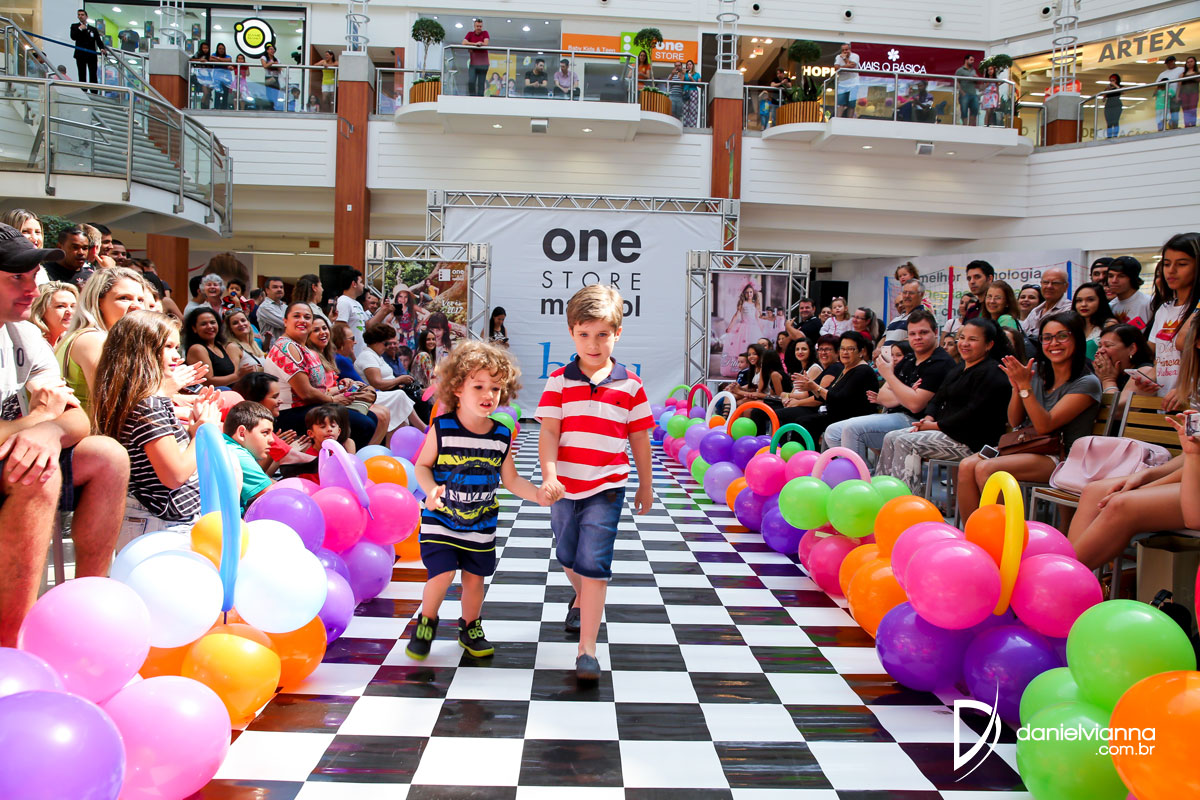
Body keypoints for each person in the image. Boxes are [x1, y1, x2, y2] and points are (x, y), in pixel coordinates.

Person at [0, 225, 130, 646]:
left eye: (32, 276)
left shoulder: (23, 332)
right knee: (37, 472)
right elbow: (43, 414)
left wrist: (51, 431)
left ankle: (84, 616)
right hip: (15, 459)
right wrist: (37, 421)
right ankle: (12, 641)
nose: (31, 289)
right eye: (16, 278)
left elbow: (77, 421)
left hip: (12, 450)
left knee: (108, 455)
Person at [537, 285, 653, 682]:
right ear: (571, 332)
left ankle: (587, 650)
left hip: (607, 486)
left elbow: (639, 438)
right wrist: (550, 474)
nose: (593, 343)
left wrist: (645, 485)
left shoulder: (631, 385)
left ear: (617, 333)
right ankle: (580, 596)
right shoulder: (558, 382)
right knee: (568, 555)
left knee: (595, 563)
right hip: (564, 487)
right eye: (584, 334)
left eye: (602, 334)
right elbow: (549, 432)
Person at [406, 341, 548, 661]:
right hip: (441, 520)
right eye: (479, 386)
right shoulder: (443, 428)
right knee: (442, 573)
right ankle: (426, 623)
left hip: (480, 526)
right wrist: (431, 489)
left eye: (495, 388)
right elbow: (422, 466)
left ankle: (470, 627)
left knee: (474, 580)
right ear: (458, 388)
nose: (488, 394)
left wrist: (537, 494)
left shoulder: (500, 435)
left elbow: (511, 480)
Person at [957, 312, 1102, 519]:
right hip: (1026, 445)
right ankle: (973, 533)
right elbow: (1015, 420)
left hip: (1062, 456)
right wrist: (1017, 388)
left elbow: (1045, 426)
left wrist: (1025, 387)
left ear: (1077, 339)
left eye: (1062, 336)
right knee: (966, 466)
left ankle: (1006, 534)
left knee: (986, 469)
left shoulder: (1087, 383)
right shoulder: (1036, 371)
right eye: (1047, 338)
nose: (1054, 343)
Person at [94, 312, 222, 533]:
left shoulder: (135, 400)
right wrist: (203, 430)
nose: (177, 356)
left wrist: (192, 430)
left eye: (177, 347)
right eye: (168, 347)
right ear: (141, 350)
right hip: (159, 523)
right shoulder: (149, 405)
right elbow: (174, 475)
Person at [877, 318, 1012, 496]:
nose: (964, 343)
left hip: (972, 440)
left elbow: (971, 413)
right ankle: (881, 494)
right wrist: (929, 417)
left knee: (906, 442)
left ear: (989, 345)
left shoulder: (993, 372)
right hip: (945, 430)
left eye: (972, 339)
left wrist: (934, 426)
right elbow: (938, 398)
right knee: (891, 437)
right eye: (962, 338)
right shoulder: (960, 367)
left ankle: (907, 501)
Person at [825, 310, 953, 460]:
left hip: (917, 421)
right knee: (832, 432)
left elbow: (915, 405)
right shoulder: (909, 360)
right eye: (912, 334)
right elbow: (883, 397)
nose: (917, 337)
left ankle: (860, 474)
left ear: (935, 332)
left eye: (923, 332)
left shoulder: (940, 362)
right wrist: (907, 393)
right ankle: (864, 469)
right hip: (894, 415)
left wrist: (890, 378)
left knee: (852, 429)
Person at [265, 302, 381, 449]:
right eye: (296, 316)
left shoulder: (302, 347)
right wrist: (333, 400)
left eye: (307, 317)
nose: (302, 320)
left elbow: (319, 388)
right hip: (291, 413)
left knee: (371, 417)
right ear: (285, 321)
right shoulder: (286, 347)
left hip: (312, 406)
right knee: (364, 424)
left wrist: (341, 389)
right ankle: (338, 459)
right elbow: (306, 393)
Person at [55, 267, 147, 414]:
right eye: (124, 298)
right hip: (87, 427)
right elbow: (112, 405)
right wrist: (166, 388)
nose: (136, 306)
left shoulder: (102, 338)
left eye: (140, 299)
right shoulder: (92, 340)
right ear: (98, 302)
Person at [1132, 233, 1199, 406]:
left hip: (1193, 404)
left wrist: (1188, 387)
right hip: (1165, 402)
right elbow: (1161, 359)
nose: (1171, 270)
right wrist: (1150, 378)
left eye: (1182, 264)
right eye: (1167, 264)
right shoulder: (1164, 309)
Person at [778, 331, 880, 441]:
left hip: (852, 419)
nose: (845, 352)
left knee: (804, 422)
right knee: (802, 421)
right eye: (842, 349)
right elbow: (826, 395)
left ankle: (805, 452)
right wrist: (811, 387)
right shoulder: (846, 368)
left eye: (850, 349)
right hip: (837, 415)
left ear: (861, 351)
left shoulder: (862, 370)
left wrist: (815, 387)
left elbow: (839, 399)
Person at [222, 401, 275, 511]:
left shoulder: (225, 445)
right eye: (265, 432)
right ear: (242, 433)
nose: (272, 440)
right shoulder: (237, 454)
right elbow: (275, 494)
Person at [184, 307, 249, 389]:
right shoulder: (197, 349)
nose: (209, 326)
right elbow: (208, 381)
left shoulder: (219, 345)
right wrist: (237, 376)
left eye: (212, 322)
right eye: (203, 324)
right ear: (194, 328)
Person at [335, 270, 391, 358]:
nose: (363, 285)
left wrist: (383, 309)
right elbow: (340, 329)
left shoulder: (357, 304)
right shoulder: (343, 301)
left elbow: (368, 325)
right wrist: (350, 355)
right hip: (350, 356)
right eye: (361, 282)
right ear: (354, 284)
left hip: (360, 353)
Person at [1093, 324, 1154, 394]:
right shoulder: (1101, 372)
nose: (1100, 351)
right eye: (1099, 346)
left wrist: (1108, 380)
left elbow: (1120, 401)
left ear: (1132, 349)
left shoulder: (1144, 371)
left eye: (1108, 345)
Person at [1021, 268, 1072, 340]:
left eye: (1055, 283)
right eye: (1045, 282)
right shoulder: (1035, 311)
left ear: (1066, 286)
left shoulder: (1069, 310)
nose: (1049, 286)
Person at [1072, 281, 1117, 357]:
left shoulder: (1109, 324)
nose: (1083, 304)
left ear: (1101, 301)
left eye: (1090, 300)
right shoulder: (1074, 325)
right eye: (1079, 300)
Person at [1106, 256, 1152, 329]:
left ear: (1132, 278)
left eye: (1121, 276)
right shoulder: (1111, 306)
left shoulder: (1149, 303)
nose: (1114, 280)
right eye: (1110, 276)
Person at [30, 282, 77, 348]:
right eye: (61, 306)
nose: (70, 312)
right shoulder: (32, 343)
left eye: (73, 306)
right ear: (41, 310)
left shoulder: (71, 344)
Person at [70, 9, 103, 86]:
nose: (80, 16)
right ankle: (83, 90)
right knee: (82, 74)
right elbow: (73, 37)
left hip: (91, 55)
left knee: (93, 74)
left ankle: (94, 90)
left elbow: (98, 41)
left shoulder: (93, 29)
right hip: (80, 54)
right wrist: (80, 29)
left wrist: (102, 48)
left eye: (82, 15)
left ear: (86, 16)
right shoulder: (75, 26)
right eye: (79, 15)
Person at [255, 276, 287, 347]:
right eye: (275, 287)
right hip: (272, 349)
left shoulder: (285, 307)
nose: (279, 289)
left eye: (281, 287)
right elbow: (284, 323)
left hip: (285, 347)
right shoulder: (264, 307)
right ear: (267, 290)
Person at [1155, 55, 1184, 131]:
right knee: (1164, 114)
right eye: (1167, 63)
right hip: (1164, 97)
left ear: (1174, 61)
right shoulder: (1162, 74)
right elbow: (1157, 85)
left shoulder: (1181, 69)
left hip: (1175, 95)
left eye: (1171, 62)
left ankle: (1174, 127)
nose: (1169, 64)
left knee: (1175, 111)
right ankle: (1162, 128)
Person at [462, 18, 489, 97]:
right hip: (473, 63)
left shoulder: (485, 33)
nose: (479, 28)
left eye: (480, 26)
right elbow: (464, 42)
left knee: (481, 83)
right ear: (474, 26)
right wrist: (475, 44)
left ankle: (480, 100)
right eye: (477, 26)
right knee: (471, 81)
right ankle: (472, 97)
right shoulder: (470, 34)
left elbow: (486, 43)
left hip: (484, 63)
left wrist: (479, 44)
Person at [833, 43, 860, 118]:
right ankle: (838, 119)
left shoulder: (855, 56)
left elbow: (853, 66)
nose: (845, 51)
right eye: (843, 50)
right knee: (840, 103)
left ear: (850, 49)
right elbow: (836, 68)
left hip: (853, 83)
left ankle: (850, 120)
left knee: (851, 104)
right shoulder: (838, 57)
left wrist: (844, 60)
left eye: (846, 49)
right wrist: (847, 65)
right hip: (842, 84)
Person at [955, 54, 980, 126]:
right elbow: (956, 81)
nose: (972, 62)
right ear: (966, 60)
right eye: (971, 60)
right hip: (965, 94)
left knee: (975, 109)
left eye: (973, 60)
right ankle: (965, 126)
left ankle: (971, 125)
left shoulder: (973, 70)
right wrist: (962, 92)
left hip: (973, 93)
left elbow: (976, 82)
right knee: (964, 111)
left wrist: (976, 78)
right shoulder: (960, 70)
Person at [261, 43, 282, 110]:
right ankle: (270, 107)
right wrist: (271, 63)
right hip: (269, 77)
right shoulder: (264, 58)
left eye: (273, 49)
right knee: (269, 94)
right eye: (271, 49)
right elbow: (265, 66)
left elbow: (280, 70)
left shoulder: (277, 59)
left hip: (275, 77)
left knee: (275, 94)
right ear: (267, 50)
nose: (272, 51)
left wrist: (277, 64)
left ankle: (275, 107)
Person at [681, 59, 702, 126]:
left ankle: (692, 126)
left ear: (693, 65)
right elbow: (681, 84)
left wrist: (692, 79)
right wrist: (683, 74)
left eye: (690, 64)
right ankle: (684, 125)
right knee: (685, 109)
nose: (689, 66)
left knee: (693, 109)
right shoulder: (685, 74)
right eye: (687, 65)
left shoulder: (697, 74)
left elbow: (700, 85)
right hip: (685, 91)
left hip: (694, 92)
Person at [1181, 56, 1200, 128]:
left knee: (1192, 109)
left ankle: (1192, 124)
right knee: (1185, 110)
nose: (1189, 63)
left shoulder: (1197, 73)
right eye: (1188, 62)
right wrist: (1177, 96)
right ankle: (1187, 125)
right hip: (1184, 93)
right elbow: (1179, 86)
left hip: (1194, 93)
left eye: (1191, 61)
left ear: (1195, 63)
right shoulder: (1183, 74)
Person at [1103, 74, 1123, 139]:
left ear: (1117, 80)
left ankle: (1115, 135)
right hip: (1108, 105)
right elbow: (1103, 99)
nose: (1111, 82)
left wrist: (1115, 86)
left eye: (1113, 80)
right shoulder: (1108, 88)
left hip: (1116, 104)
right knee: (1109, 122)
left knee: (1115, 121)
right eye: (1110, 80)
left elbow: (1122, 92)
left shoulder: (1120, 87)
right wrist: (1107, 90)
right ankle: (1109, 136)